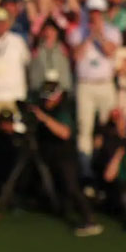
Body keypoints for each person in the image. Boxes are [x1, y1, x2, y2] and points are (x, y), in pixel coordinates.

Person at [23, 72, 104, 237]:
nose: (47, 101)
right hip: (50, 154)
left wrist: (43, 118)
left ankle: (89, 219)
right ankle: (62, 209)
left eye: (50, 98)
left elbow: (64, 133)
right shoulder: (43, 106)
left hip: (66, 156)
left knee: (72, 187)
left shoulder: (63, 109)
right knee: (59, 187)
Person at [67, 1, 120, 163]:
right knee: (85, 128)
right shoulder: (77, 32)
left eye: (97, 13)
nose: (94, 16)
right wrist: (89, 36)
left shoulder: (112, 31)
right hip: (85, 85)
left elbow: (109, 51)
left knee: (109, 126)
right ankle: (86, 168)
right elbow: (76, 56)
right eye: (92, 12)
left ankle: (107, 163)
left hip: (105, 84)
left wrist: (100, 35)